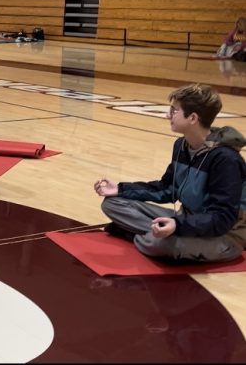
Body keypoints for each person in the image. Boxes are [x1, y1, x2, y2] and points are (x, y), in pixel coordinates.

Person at [95, 83, 246, 263]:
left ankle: (139, 234)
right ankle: (154, 233)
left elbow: (223, 218)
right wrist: (121, 189)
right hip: (187, 220)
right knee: (112, 204)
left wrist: (177, 225)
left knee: (159, 245)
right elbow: (167, 188)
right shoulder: (181, 146)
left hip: (225, 235)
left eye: (174, 111)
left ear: (192, 118)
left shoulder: (226, 159)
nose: (168, 115)